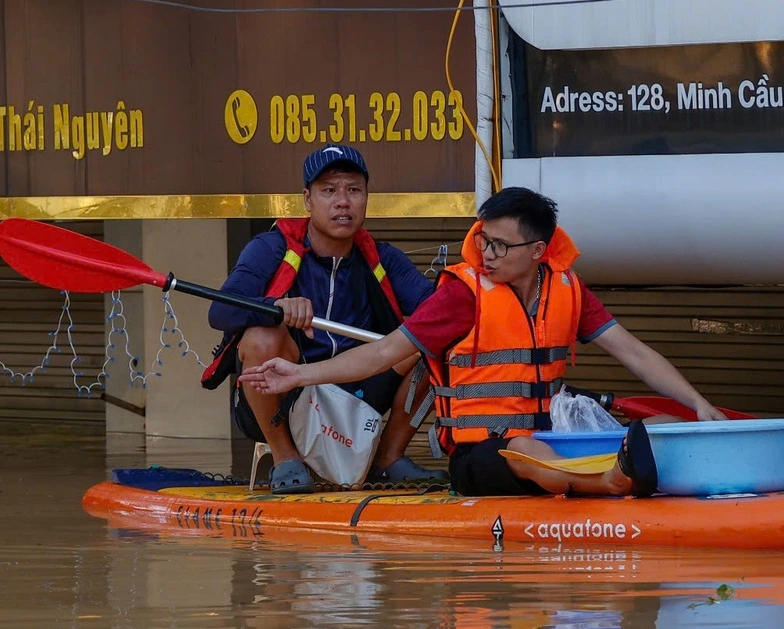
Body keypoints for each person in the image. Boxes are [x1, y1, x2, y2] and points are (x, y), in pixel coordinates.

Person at [240, 186, 728, 498]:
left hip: (551, 438)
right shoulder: (462, 294)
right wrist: (301, 373)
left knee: (664, 423)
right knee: (525, 450)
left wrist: (699, 405)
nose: (486, 254)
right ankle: (606, 482)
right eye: (483, 240)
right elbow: (386, 352)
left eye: (499, 245)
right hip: (480, 457)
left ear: (538, 251)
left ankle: (687, 468)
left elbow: (635, 352)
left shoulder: (567, 290)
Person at [203, 143, 445, 494]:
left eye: (353, 190)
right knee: (260, 336)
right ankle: (285, 458)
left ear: (366, 197)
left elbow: (436, 311)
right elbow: (220, 312)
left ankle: (388, 460)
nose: (342, 202)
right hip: (287, 393)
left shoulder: (384, 258)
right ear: (307, 199)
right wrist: (276, 307)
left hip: (360, 388)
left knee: (434, 342)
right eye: (329, 191)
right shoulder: (271, 248)